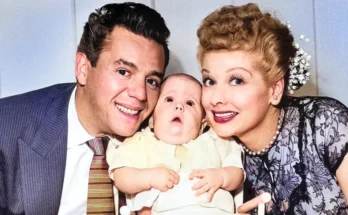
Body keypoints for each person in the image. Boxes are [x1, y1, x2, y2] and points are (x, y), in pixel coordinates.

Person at [0, 2, 170, 215]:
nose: (141, 94)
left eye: (152, 81)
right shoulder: (5, 129)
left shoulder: (166, 133)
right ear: (83, 68)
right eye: (123, 71)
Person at [197, 3, 348, 215]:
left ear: (275, 89)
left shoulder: (326, 124)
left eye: (237, 80)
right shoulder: (205, 146)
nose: (216, 98)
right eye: (209, 80)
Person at [107, 73, 245, 215]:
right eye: (169, 99)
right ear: (152, 117)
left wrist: (221, 177)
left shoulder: (216, 141)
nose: (179, 106)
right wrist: (149, 177)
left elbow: (238, 173)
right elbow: (121, 176)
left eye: (190, 103)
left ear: (203, 123)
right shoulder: (141, 142)